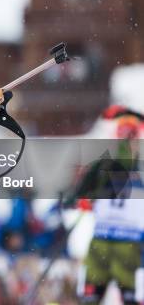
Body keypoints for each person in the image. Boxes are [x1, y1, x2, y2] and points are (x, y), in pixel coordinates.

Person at [77, 106, 144, 305]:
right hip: (120, 242)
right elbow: (81, 197)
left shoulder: (103, 165)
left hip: (113, 241)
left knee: (94, 296)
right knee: (113, 295)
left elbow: (80, 196)